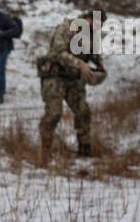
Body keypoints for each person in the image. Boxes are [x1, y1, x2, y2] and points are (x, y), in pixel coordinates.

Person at [37, 12, 101, 160]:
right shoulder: (66, 28)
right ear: (88, 19)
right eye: (96, 24)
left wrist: (98, 72)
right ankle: (45, 152)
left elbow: (94, 58)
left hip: (74, 79)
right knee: (54, 113)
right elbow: (58, 52)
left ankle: (84, 149)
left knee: (83, 111)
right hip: (55, 77)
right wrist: (80, 64)